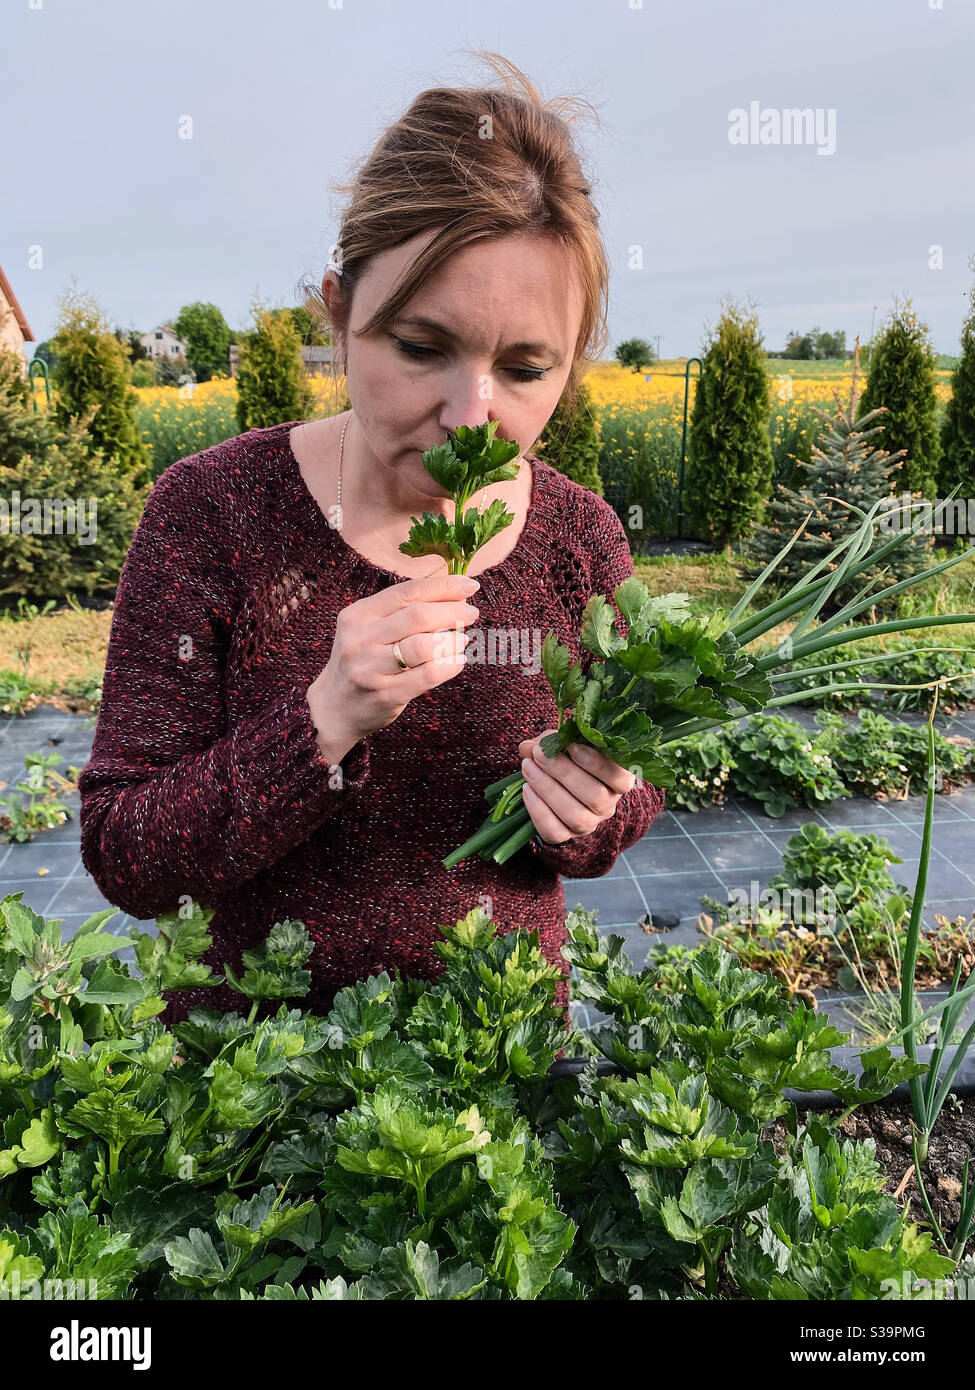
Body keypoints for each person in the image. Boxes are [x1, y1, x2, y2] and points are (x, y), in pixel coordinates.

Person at [77, 52, 666, 1026]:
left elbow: (635, 787)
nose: (469, 415)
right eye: (423, 347)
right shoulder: (213, 515)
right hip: (251, 1076)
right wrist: (318, 724)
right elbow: (125, 854)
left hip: (495, 1071)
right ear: (340, 311)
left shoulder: (579, 542)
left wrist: (596, 814)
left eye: (525, 368)